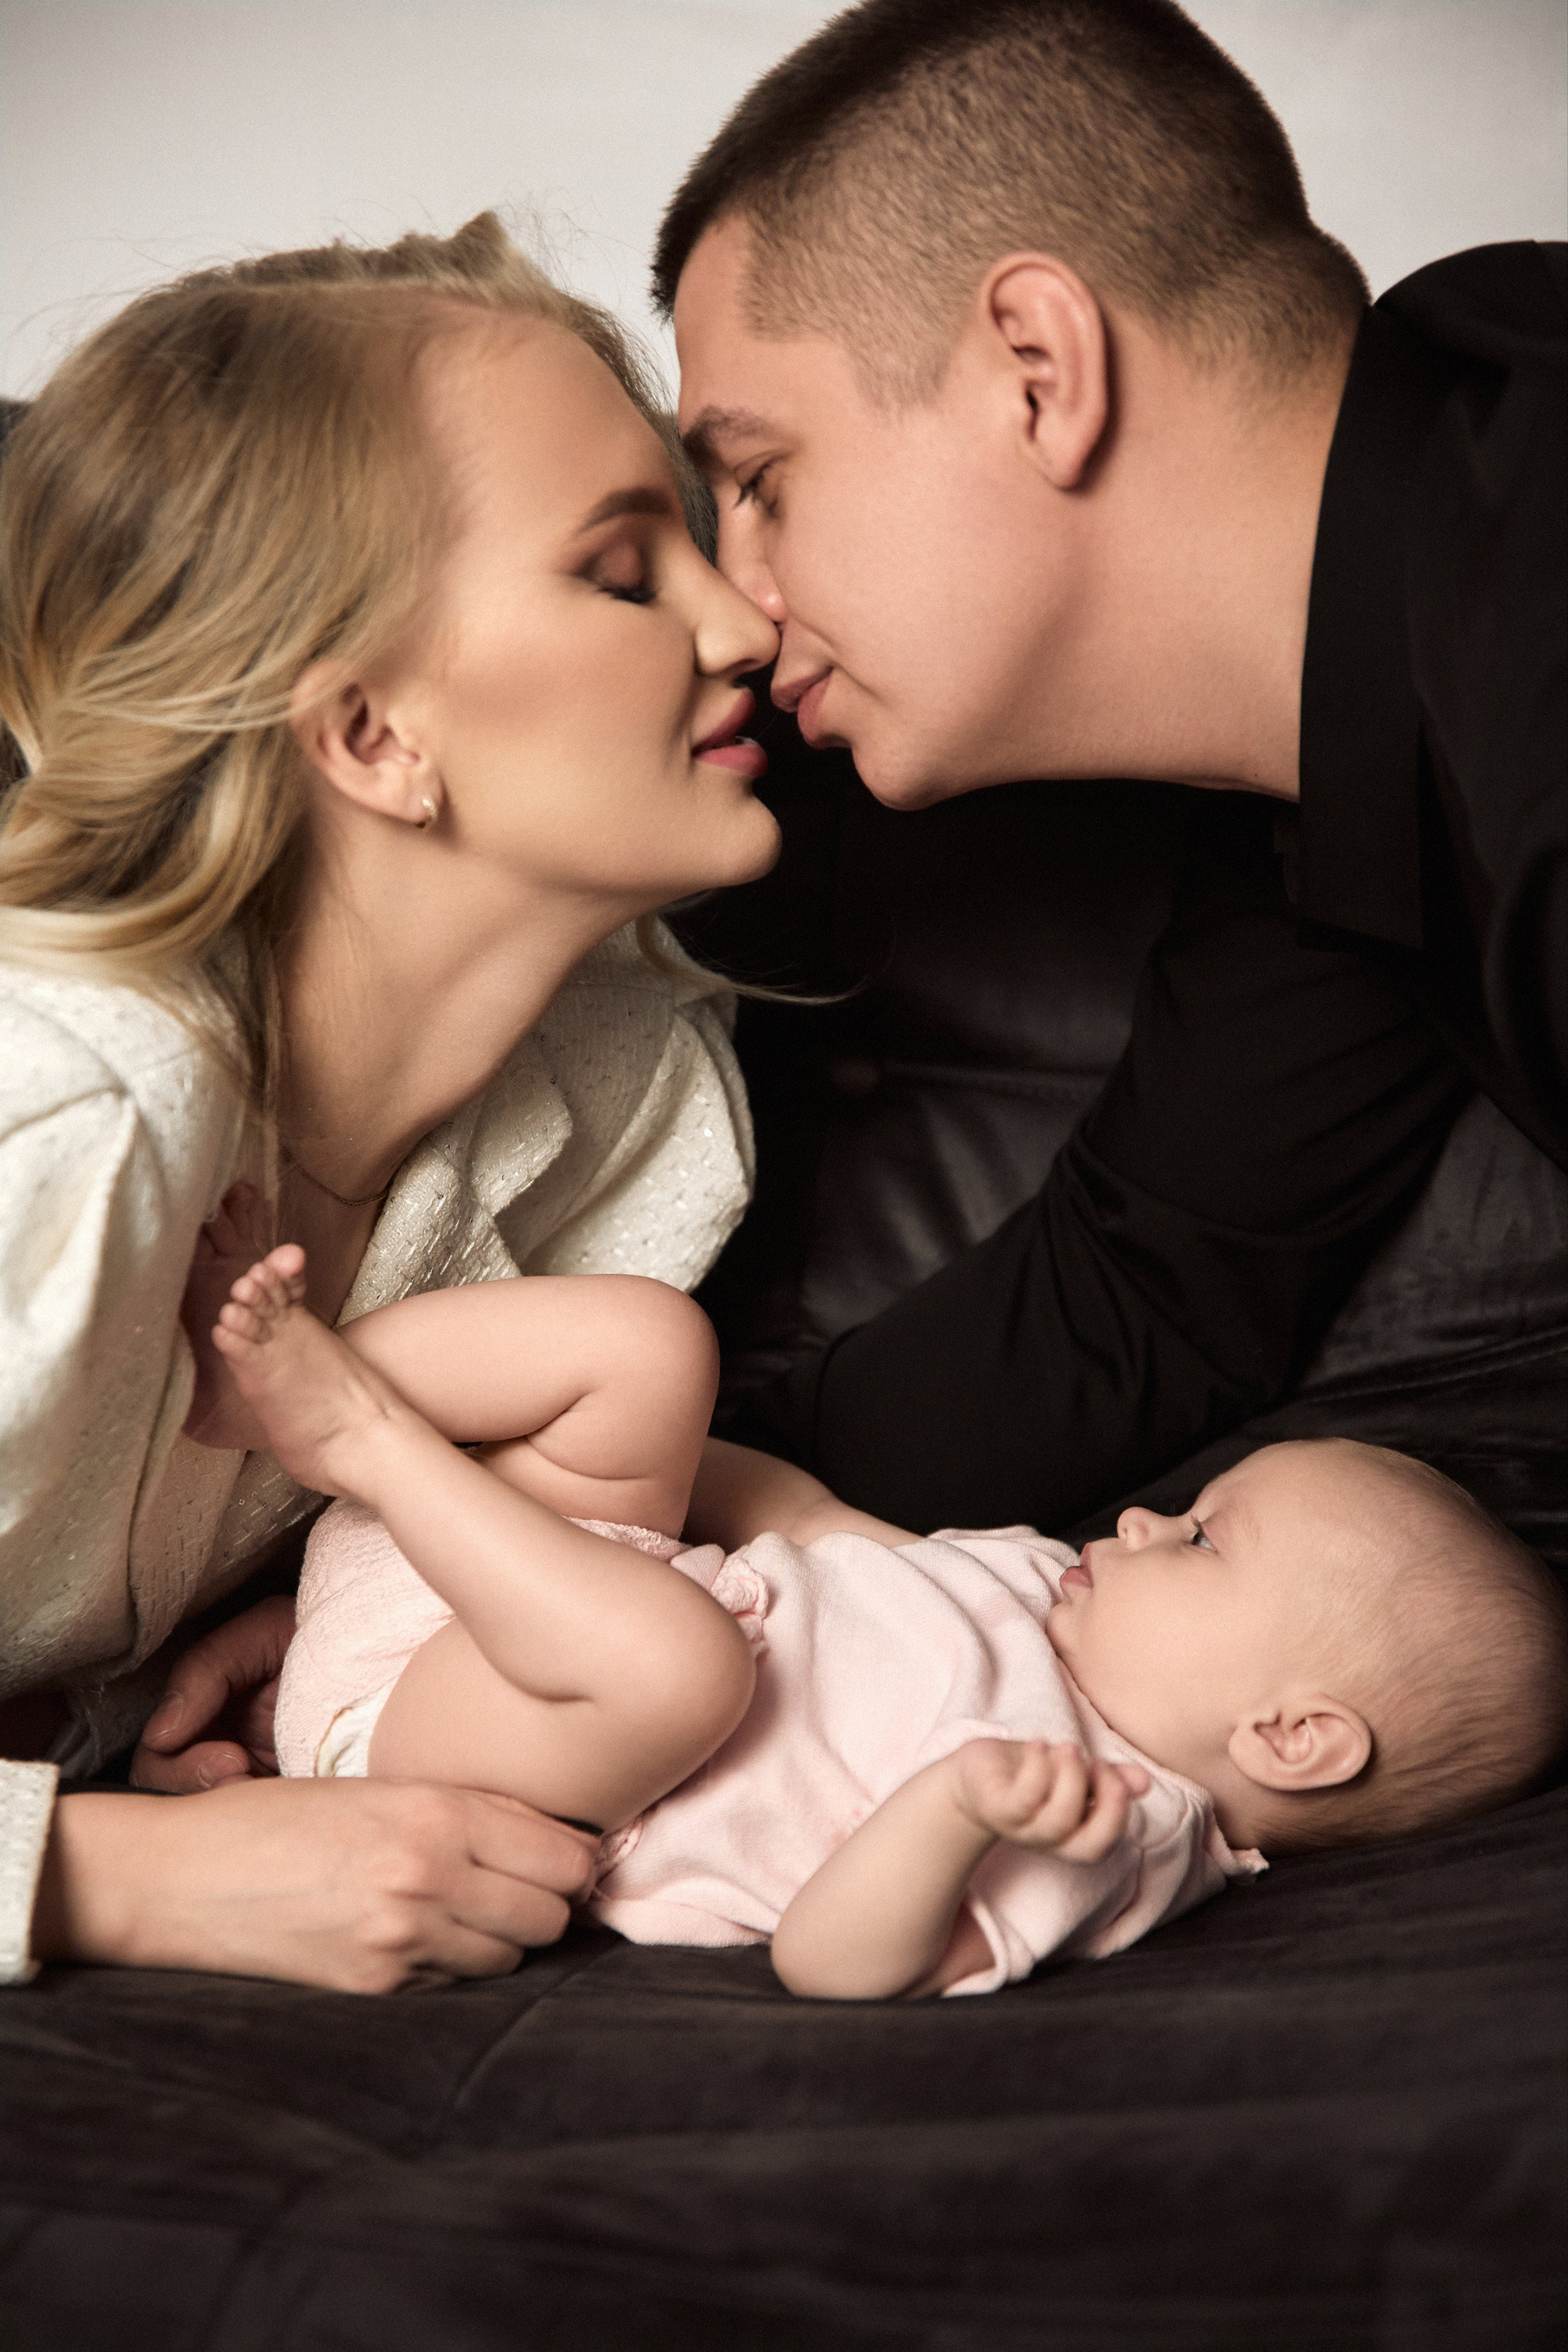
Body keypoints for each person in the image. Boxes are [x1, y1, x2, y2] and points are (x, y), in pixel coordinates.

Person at [656, 0, 1567, 1533]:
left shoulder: (1526, 652)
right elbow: (1148, 1295)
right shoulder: (1345, 738)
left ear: (1038, 367)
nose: (736, 611)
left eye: (761, 480)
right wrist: (482, 1557)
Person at [0, 212, 782, 1989]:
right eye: (623, 571)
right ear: (370, 736)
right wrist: (109, 1880)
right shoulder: (60, 1120)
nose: (745, 622)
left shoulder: (633, 1113)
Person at [200, 1233, 1567, 1999]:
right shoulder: (1044, 1583)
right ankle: (241, 1410)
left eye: (1203, 1539)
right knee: (656, 1344)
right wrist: (559, 1483)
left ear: (1290, 1736)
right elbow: (801, 1522)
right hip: (491, 1604)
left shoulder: (1111, 1823)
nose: (1147, 1522)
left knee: (682, 1669)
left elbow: (833, 1964)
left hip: (467, 1760)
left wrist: (955, 1812)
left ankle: (365, 1433)